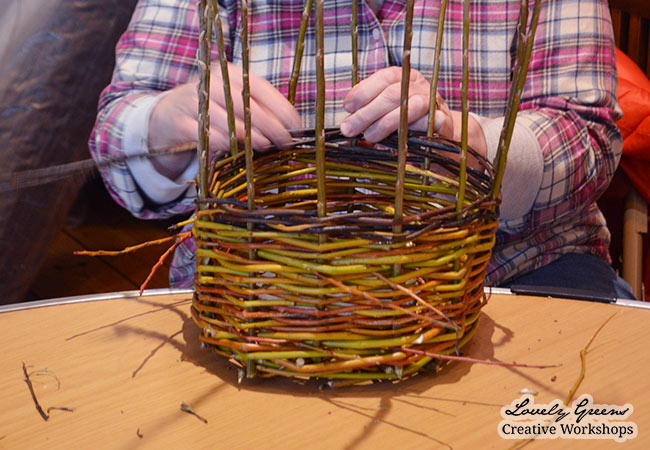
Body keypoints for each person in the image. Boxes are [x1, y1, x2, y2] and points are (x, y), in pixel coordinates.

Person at [90, 0, 635, 299]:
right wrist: (162, 128)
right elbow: (116, 134)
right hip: (255, 287)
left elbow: (587, 138)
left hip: (516, 269)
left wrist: (465, 140)